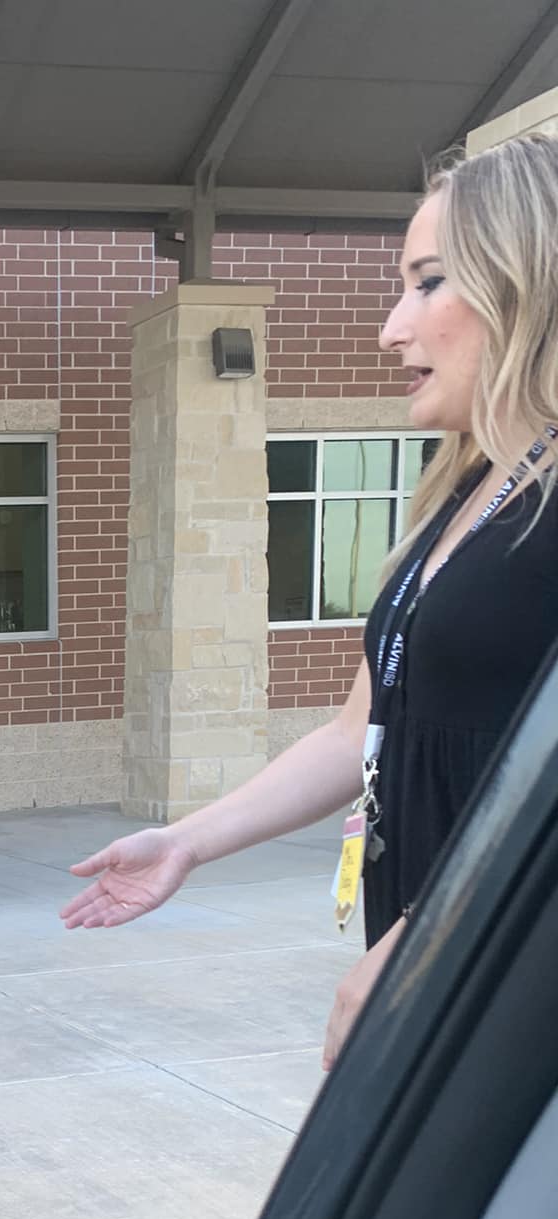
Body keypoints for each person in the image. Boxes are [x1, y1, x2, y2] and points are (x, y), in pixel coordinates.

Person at [61, 132, 558, 1069]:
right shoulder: (469, 490)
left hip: (506, 976)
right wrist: (186, 842)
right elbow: (355, 732)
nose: (391, 330)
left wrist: (431, 940)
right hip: (452, 966)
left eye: (429, 283)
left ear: (527, 285)